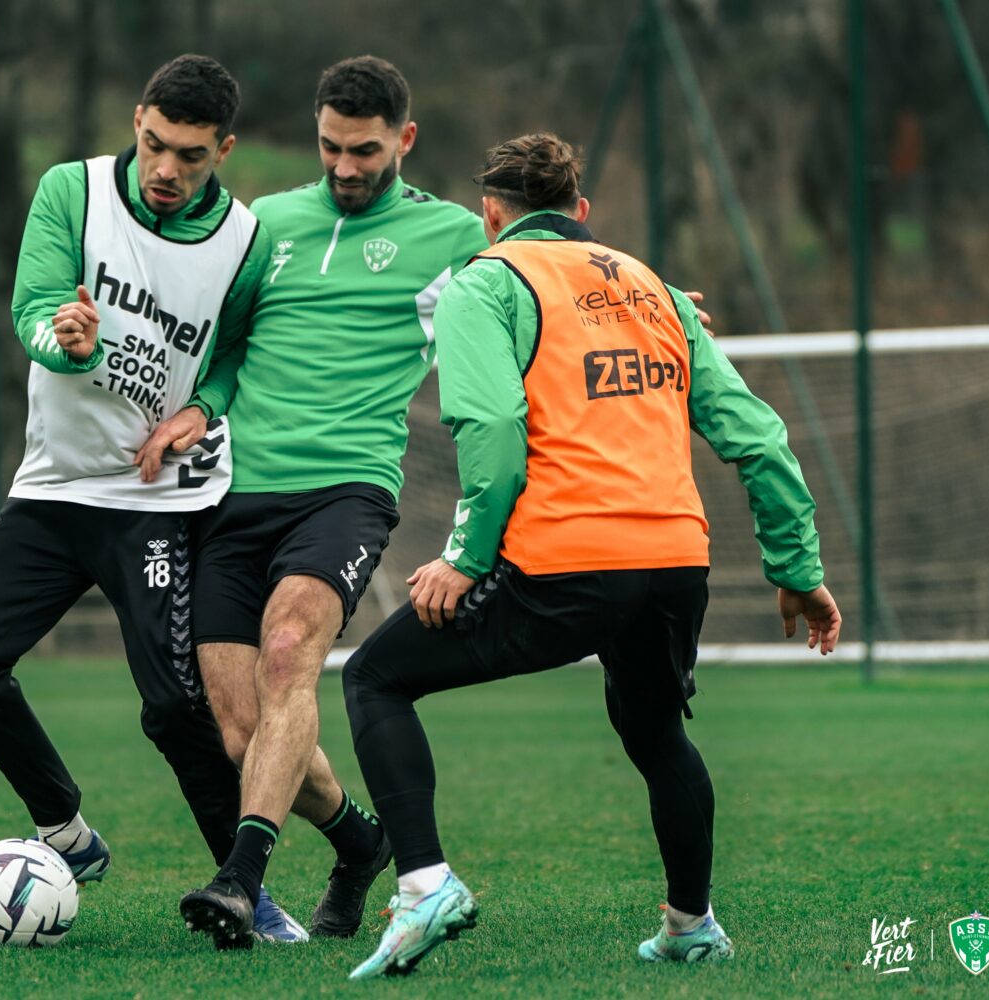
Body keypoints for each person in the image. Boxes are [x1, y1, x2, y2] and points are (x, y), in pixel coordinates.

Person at [340, 131, 843, 978]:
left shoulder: (487, 281)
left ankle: (424, 886)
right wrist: (798, 570)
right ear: (580, 213)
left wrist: (464, 557)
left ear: (490, 215)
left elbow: (494, 427)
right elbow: (759, 437)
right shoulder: (654, 288)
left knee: (375, 678)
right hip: (677, 561)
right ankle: (691, 923)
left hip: (569, 561)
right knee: (653, 730)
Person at [0, 54, 308, 943]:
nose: (166, 170)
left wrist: (202, 409)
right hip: (55, 488)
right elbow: (32, 306)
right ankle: (65, 828)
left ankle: (246, 894)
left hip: (159, 501)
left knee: (179, 709)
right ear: (135, 121)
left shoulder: (245, 242)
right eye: (153, 145)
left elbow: (233, 350)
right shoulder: (73, 190)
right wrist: (63, 341)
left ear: (224, 149)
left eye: (190, 155)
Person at [143, 56, 491, 950]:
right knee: (239, 729)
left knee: (291, 651)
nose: (344, 166)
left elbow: (543, 287)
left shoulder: (452, 233)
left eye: (365, 150)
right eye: (331, 146)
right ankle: (360, 841)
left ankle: (240, 876)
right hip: (237, 491)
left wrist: (659, 300)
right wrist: (198, 409)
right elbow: (219, 344)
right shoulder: (269, 225)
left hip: (347, 489)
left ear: (405, 141)